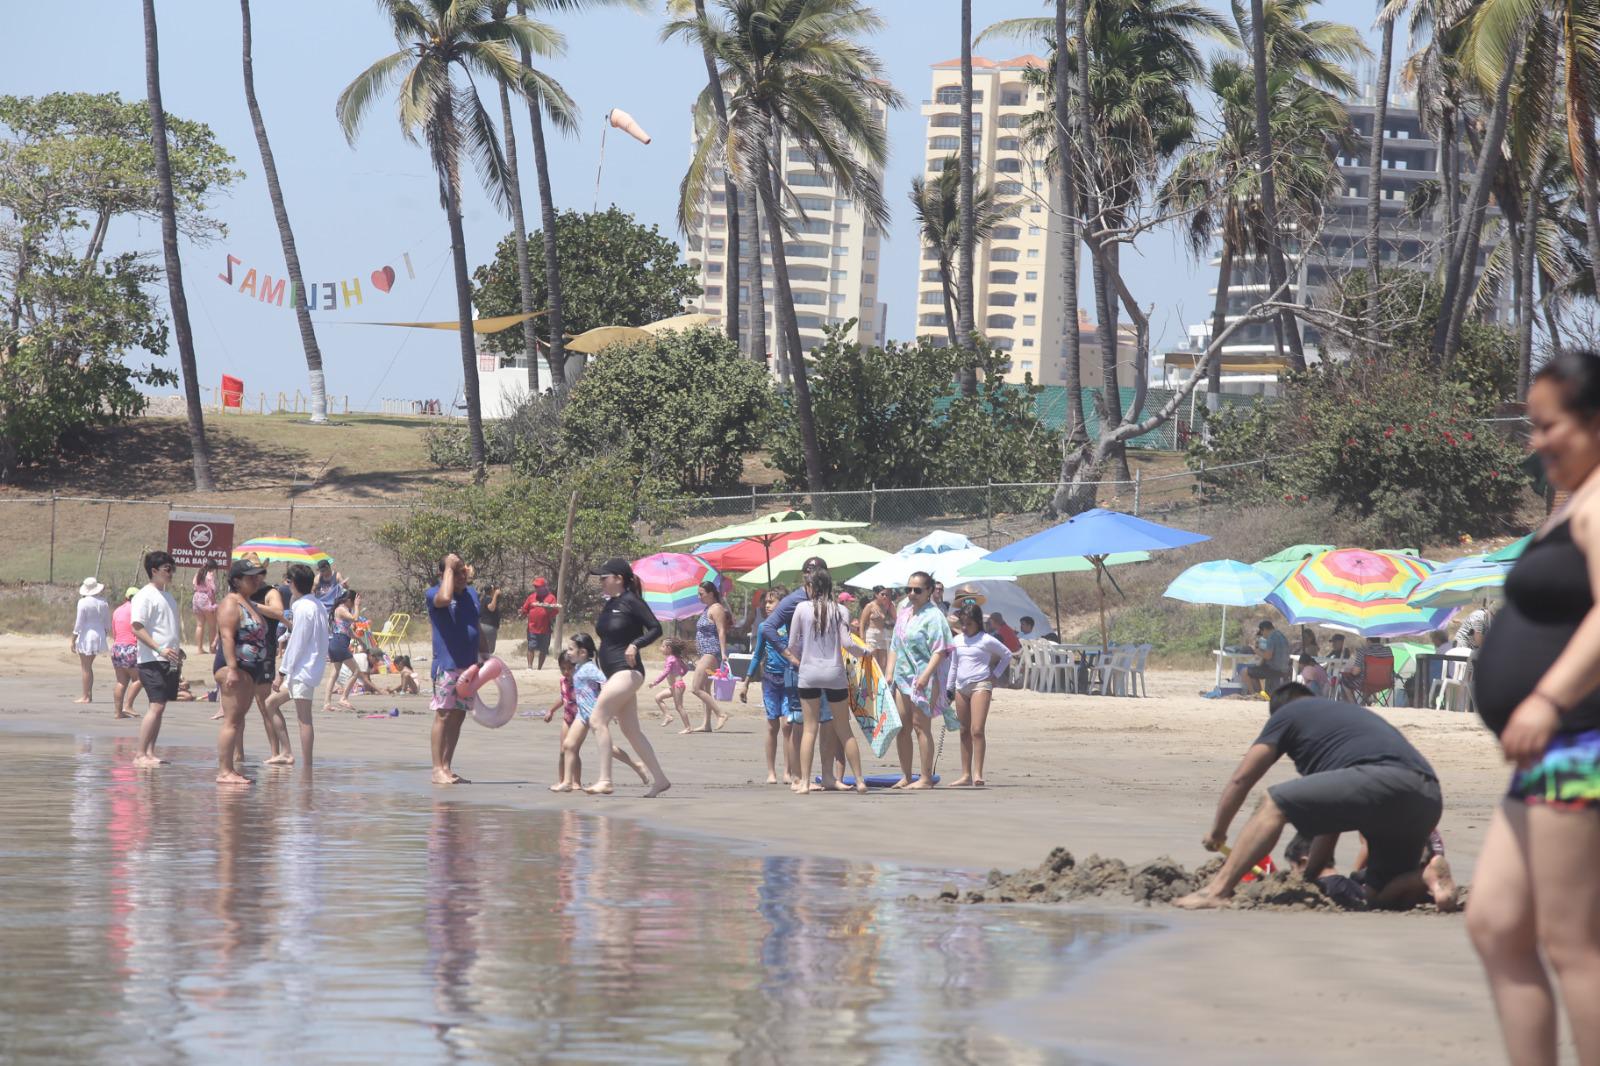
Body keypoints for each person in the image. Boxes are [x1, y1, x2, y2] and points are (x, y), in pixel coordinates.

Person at [1466, 349, 1600, 1066]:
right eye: (1533, 425)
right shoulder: (1574, 500)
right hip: (1552, 753)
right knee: (1493, 923)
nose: (1538, 441)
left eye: (1552, 426)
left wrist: (1548, 696)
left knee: (1573, 943)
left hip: (1585, 743)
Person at [1175, 683, 1446, 911]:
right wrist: (1308, 878)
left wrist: (1218, 831)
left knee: (1273, 802)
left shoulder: (1289, 713)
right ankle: (1426, 876)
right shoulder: (1345, 720)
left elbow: (1242, 778)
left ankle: (1217, 890)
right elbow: (1332, 821)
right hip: (1427, 796)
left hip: (1384, 780)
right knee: (1378, 895)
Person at [584, 558, 671, 798]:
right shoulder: (610, 603)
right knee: (631, 730)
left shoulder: (632, 601)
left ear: (619, 579)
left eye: (604, 578)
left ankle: (605, 780)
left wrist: (635, 644)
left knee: (597, 720)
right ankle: (661, 779)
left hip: (628, 671)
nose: (600, 582)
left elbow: (655, 628)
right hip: (614, 673)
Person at [785, 568, 868, 795]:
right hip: (834, 673)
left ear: (811, 587)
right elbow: (847, 643)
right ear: (830, 587)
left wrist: (804, 657)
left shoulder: (801, 608)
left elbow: (792, 643)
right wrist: (865, 652)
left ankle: (803, 783)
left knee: (810, 729)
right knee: (844, 729)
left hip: (809, 673)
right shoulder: (840, 609)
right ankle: (860, 780)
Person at [551, 634, 649, 792]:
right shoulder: (577, 668)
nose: (568, 652)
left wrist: (611, 706)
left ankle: (636, 765)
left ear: (582, 653)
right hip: (582, 714)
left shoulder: (590, 668)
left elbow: (605, 681)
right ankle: (567, 782)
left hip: (595, 713)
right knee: (569, 745)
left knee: (608, 747)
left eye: (571, 649)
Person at [887, 570, 953, 790]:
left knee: (920, 726)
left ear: (929, 591)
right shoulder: (905, 613)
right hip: (902, 677)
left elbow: (940, 650)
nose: (912, 594)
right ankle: (906, 775)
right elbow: (895, 645)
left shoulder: (934, 616)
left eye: (917, 590)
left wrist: (925, 676)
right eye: (909, 589)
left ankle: (925, 777)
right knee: (902, 727)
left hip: (925, 677)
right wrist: (889, 673)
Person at [213, 559, 271, 785]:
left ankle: (230, 769)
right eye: (251, 577)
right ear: (237, 580)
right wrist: (233, 669)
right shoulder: (231, 603)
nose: (257, 580)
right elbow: (227, 636)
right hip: (234, 667)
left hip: (250, 668)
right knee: (232, 721)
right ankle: (225, 771)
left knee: (237, 720)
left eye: (258, 576)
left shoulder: (248, 602)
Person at [264, 563, 327, 770]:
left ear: (293, 583)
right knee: (271, 704)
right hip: (305, 667)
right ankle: (287, 752)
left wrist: (281, 672)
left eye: (288, 582)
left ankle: (307, 765)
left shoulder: (303, 607)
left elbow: (297, 643)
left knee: (304, 719)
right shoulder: (317, 605)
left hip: (303, 669)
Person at [427, 553, 480, 786]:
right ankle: (437, 768)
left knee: (458, 716)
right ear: (444, 574)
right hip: (447, 665)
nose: (461, 576)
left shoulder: (471, 595)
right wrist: (449, 565)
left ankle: (447, 766)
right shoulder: (434, 594)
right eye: (455, 572)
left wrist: (485, 656)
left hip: (468, 665)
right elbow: (445, 597)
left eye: (462, 571)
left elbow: (476, 625)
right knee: (444, 714)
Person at [949, 602, 1012, 787]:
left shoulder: (986, 639)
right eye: (962, 623)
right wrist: (949, 688)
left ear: (977, 622)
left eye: (969, 624)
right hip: (961, 686)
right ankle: (965, 774)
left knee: (977, 730)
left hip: (981, 684)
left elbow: (1007, 654)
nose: (965, 628)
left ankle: (978, 773)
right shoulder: (957, 640)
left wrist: (996, 675)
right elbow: (953, 665)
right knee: (963, 730)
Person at [130, 551, 183, 768]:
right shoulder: (145, 595)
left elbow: (167, 628)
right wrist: (159, 649)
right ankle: (140, 754)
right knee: (156, 706)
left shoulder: (167, 595)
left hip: (169, 659)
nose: (171, 573)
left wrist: (177, 650)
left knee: (161, 706)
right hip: (151, 659)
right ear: (154, 571)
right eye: (167, 569)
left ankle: (150, 752)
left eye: (173, 569)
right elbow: (136, 627)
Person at [742, 589, 797, 784]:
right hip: (770, 681)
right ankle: (771, 771)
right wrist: (746, 682)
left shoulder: (791, 625)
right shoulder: (765, 627)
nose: (767, 605)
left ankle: (788, 771)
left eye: (771, 602)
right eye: (766, 602)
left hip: (790, 679)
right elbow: (757, 656)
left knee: (788, 725)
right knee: (772, 725)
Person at [685, 580, 731, 734]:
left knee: (696, 688)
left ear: (711, 593)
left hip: (711, 652)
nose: (699, 597)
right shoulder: (707, 609)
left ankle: (721, 713)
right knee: (705, 688)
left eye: (701, 594)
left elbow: (721, 631)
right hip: (705, 652)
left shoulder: (717, 608)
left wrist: (724, 653)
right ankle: (706, 724)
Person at [71, 577, 111, 704]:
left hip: (87, 635)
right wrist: (104, 634)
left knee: (85, 667)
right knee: (88, 666)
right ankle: (88, 694)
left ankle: (86, 696)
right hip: (99, 634)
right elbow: (107, 623)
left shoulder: (83, 602)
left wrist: (73, 638)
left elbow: (79, 623)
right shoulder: (103, 602)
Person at [110, 587, 142, 720]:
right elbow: (140, 630)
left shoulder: (117, 610)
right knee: (140, 679)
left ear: (126, 598)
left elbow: (114, 632)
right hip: (131, 647)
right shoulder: (137, 610)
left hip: (117, 647)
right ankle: (128, 705)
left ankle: (118, 713)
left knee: (121, 681)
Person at [650, 636, 692, 726]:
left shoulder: (670, 659)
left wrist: (655, 682)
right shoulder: (676, 658)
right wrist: (679, 675)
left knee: (679, 707)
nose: (660, 648)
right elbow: (686, 669)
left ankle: (688, 727)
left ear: (668, 648)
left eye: (662, 646)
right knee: (658, 698)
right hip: (675, 686)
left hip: (677, 686)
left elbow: (665, 672)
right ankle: (668, 716)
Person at [519, 577, 560, 669]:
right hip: (532, 627)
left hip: (545, 629)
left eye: (538, 587)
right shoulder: (531, 597)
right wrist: (521, 613)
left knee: (544, 649)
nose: (536, 589)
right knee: (531, 647)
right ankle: (529, 667)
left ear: (544, 587)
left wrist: (548, 609)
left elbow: (555, 611)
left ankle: (539, 668)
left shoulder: (551, 598)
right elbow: (525, 610)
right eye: (535, 587)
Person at [1244, 620, 1291, 695]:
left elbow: (1268, 656)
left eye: (1262, 633)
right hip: (1284, 669)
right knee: (1254, 672)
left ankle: (1254, 695)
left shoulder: (1271, 637)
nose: (1262, 635)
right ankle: (1260, 694)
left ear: (1265, 629)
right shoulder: (1282, 636)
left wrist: (1255, 650)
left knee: (1245, 672)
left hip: (1274, 670)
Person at [858, 586, 894, 672]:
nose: (885, 596)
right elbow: (862, 623)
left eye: (887, 595)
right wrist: (862, 639)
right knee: (873, 662)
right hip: (871, 636)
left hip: (882, 635)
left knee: (883, 664)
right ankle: (872, 683)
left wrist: (883, 617)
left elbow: (891, 623)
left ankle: (880, 683)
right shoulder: (870, 606)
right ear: (876, 594)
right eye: (882, 594)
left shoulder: (886, 607)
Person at [192, 560, 220, 656]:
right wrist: (213, 603)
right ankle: (212, 648)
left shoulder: (198, 573)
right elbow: (211, 590)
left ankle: (199, 649)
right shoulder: (209, 575)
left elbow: (194, 585)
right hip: (206, 599)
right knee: (212, 625)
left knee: (199, 625)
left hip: (196, 597)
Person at [477, 582, 502, 661]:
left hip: (485, 626)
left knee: (485, 649)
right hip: (488, 626)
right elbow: (491, 608)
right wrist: (495, 595)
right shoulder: (488, 599)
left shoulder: (485, 599)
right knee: (489, 650)